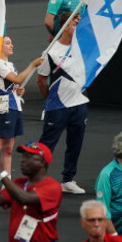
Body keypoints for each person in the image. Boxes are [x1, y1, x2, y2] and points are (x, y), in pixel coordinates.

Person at [38, 12, 89, 194]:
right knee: (46, 145)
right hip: (57, 107)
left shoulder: (83, 47)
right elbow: (41, 80)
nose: (77, 27)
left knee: (75, 144)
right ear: (66, 26)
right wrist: (49, 100)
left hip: (79, 104)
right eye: (75, 24)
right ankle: (37, 180)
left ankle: (68, 180)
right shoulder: (52, 52)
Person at [0, 35, 43, 194]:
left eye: (11, 42)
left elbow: (12, 84)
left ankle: (6, 183)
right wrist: (32, 64)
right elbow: (17, 79)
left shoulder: (9, 64)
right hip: (4, 109)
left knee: (9, 149)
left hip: (15, 107)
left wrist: (18, 91)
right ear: (0, 47)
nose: (11, 45)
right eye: (7, 43)